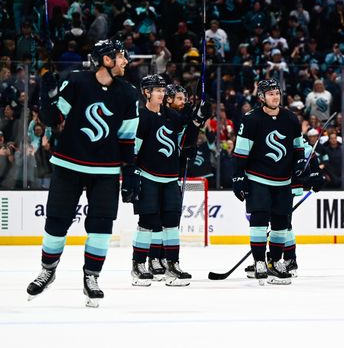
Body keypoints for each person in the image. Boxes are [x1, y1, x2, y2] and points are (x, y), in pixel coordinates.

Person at [27, 40, 139, 307]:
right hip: (69, 165)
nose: (125, 61)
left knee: (101, 227)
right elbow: (53, 119)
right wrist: (46, 92)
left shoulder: (128, 93)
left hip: (106, 171)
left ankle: (92, 277)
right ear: (106, 60)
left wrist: (130, 174)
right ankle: (48, 270)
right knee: (56, 222)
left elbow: (126, 139)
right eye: (121, 56)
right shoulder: (78, 82)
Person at [232, 79, 323, 285]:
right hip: (258, 178)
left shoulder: (290, 118)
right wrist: (238, 178)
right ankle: (259, 262)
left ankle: (275, 261)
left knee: (282, 223)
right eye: (270, 93)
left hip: (283, 181)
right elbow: (241, 153)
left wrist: (301, 165)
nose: (275, 96)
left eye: (277, 93)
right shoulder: (251, 119)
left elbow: (298, 147)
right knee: (259, 220)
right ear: (261, 97)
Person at [130, 75, 208, 287]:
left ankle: (172, 265)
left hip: (170, 178)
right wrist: (132, 175)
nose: (162, 93)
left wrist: (199, 117)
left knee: (172, 223)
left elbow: (187, 138)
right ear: (147, 93)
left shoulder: (172, 116)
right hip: (148, 176)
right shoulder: (141, 117)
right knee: (147, 223)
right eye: (157, 90)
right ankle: (138, 266)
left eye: (163, 90)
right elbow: (133, 150)